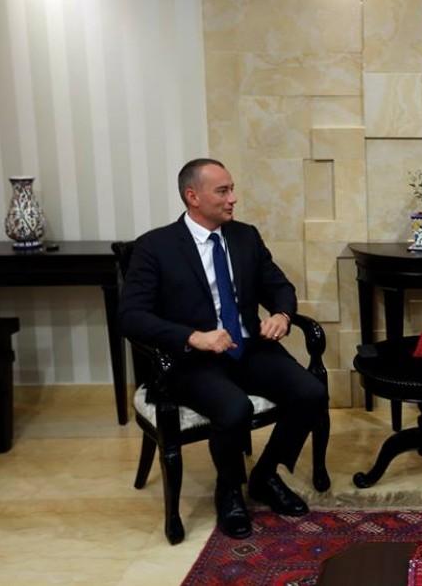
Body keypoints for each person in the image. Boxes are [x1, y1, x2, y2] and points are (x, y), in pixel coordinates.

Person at [118, 158, 327, 539]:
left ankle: (265, 476)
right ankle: (229, 491)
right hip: (191, 360)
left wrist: (281, 314)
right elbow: (131, 316)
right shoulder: (155, 247)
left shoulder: (245, 237)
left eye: (232, 189)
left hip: (247, 348)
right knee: (235, 408)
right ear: (193, 196)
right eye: (223, 191)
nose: (233, 198)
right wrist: (192, 336)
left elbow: (279, 286)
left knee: (311, 392)